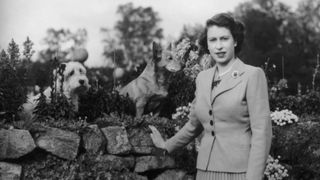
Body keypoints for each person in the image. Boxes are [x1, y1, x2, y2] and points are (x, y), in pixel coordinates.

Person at [149, 12, 272, 180]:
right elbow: (194, 125)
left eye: (224, 39)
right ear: (207, 44)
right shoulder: (202, 78)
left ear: (235, 41)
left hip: (240, 173)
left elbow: (262, 133)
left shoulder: (252, 75)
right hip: (205, 171)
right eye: (213, 40)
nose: (218, 46)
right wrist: (165, 146)